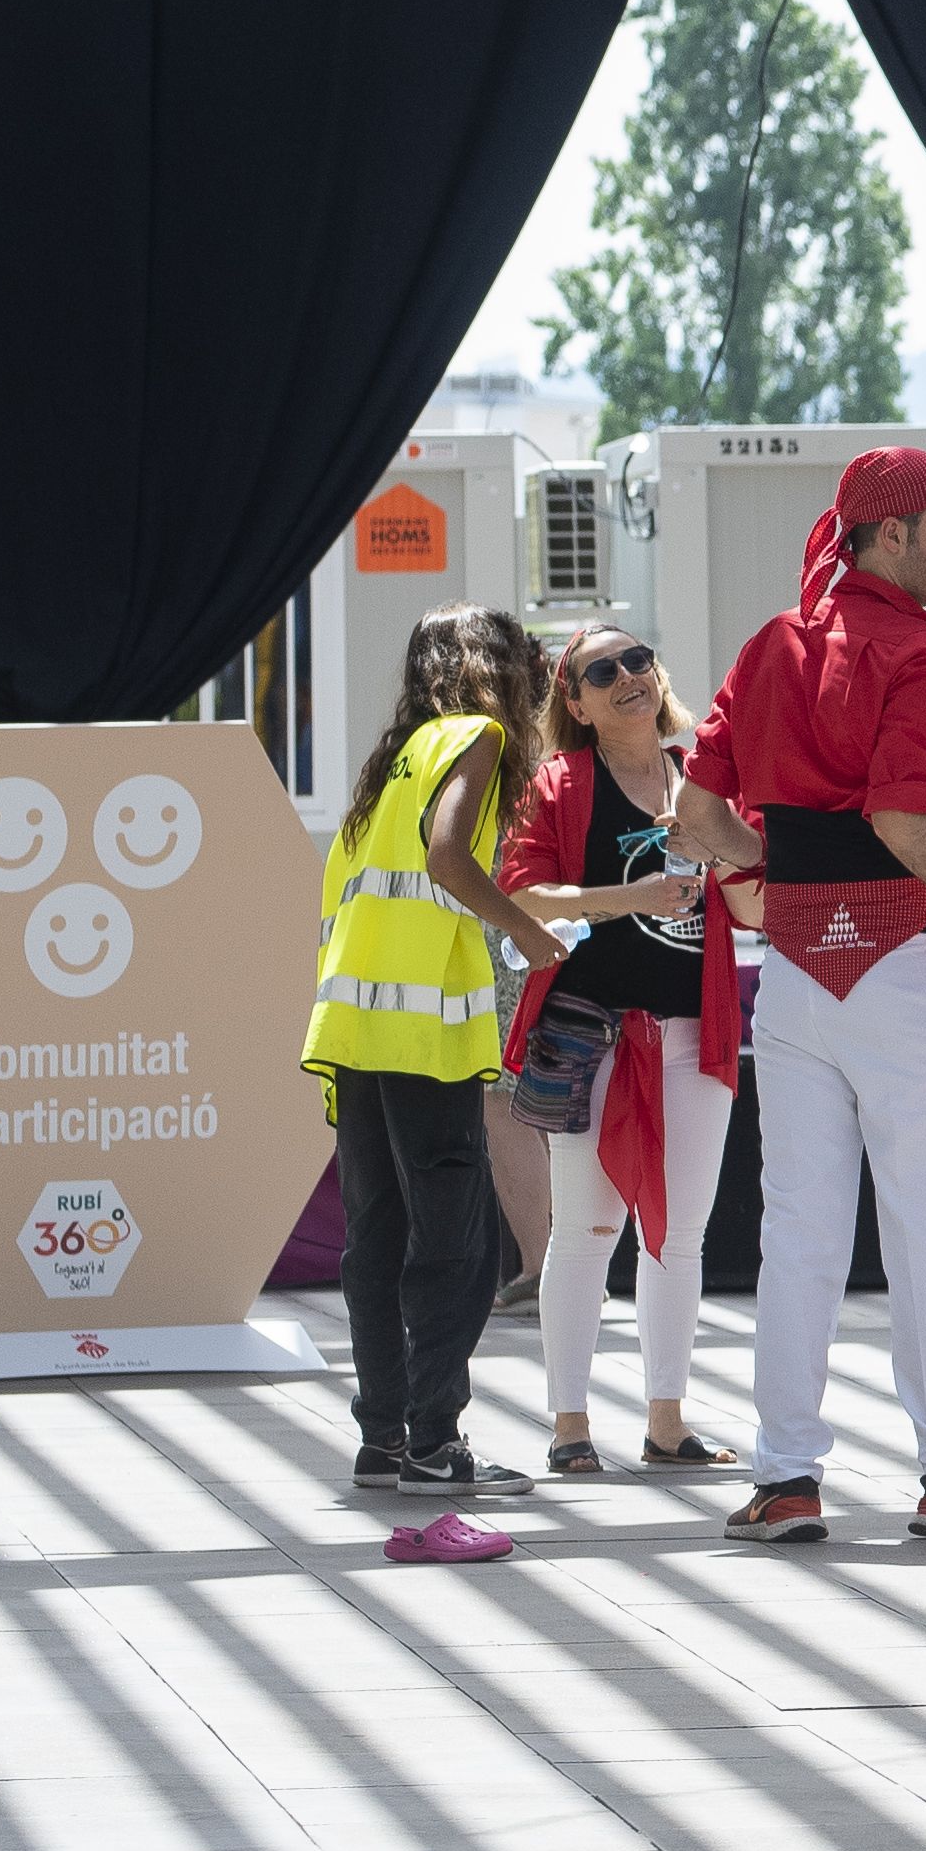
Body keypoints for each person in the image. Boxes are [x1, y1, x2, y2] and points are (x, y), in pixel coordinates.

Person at [676, 449, 926, 1547]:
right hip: (900, 967)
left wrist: (761, 889)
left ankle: (786, 1477)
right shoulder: (921, 653)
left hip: (798, 973)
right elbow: (905, 823)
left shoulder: (773, 641)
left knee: (798, 1233)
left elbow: (693, 810)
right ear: (890, 533)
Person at [303, 606, 575, 1500]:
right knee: (454, 1245)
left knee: (374, 1241)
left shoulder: (393, 764)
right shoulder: (478, 737)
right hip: (424, 1039)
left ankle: (385, 1440)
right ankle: (435, 1445)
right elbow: (451, 860)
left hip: (356, 1032)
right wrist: (529, 934)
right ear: (498, 669)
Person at [499, 627, 755, 1478]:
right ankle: (570, 1426)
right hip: (593, 1035)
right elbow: (523, 893)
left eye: (638, 659)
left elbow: (755, 907)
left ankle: (667, 1421)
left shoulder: (707, 782)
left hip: (695, 1034)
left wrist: (716, 856)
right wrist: (631, 896)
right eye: (598, 673)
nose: (626, 679)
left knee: (680, 1236)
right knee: (586, 1229)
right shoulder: (556, 783)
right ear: (573, 703)